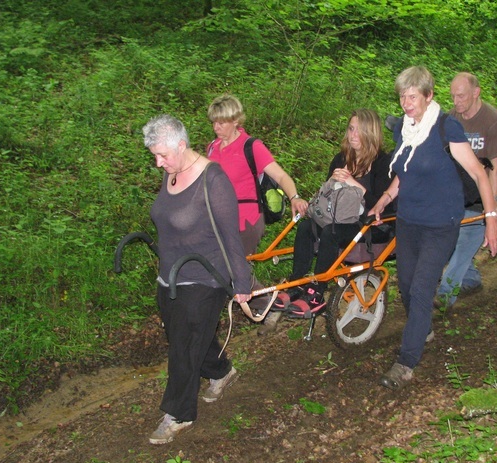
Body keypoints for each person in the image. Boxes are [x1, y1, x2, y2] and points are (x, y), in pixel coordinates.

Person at [369, 66, 497, 390]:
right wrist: (385, 199)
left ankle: (406, 361)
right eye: (402, 95)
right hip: (409, 220)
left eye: (412, 95)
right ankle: (422, 323)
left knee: (422, 287)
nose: (405, 101)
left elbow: (479, 174)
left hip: (441, 223)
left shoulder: (447, 128)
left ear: (428, 96)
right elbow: (405, 170)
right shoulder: (405, 130)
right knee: (407, 284)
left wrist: (491, 220)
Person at [143, 114, 252, 444]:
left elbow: (231, 237)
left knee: (183, 347)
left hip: (205, 277)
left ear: (181, 144)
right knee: (186, 337)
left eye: (163, 155)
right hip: (170, 277)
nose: (159, 163)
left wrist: (243, 285)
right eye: (155, 157)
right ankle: (221, 371)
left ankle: (178, 414)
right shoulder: (172, 173)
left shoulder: (213, 181)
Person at [270, 109, 395, 316]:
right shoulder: (341, 159)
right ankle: (296, 283)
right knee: (305, 227)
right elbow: (326, 196)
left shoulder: (383, 163)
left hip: (371, 225)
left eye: (359, 131)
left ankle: (316, 292)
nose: (353, 135)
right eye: (351, 129)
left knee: (330, 232)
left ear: (371, 133)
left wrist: (353, 183)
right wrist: (331, 183)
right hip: (338, 219)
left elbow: (385, 207)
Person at [206, 95, 309, 315]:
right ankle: (261, 303)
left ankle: (268, 307)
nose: (216, 127)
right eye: (214, 122)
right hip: (217, 218)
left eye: (221, 122)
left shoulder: (251, 146)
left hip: (246, 217)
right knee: (221, 264)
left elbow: (281, 176)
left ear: (236, 121)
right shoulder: (212, 148)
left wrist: (294, 197)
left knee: (235, 267)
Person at [435, 72, 497, 309]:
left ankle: (446, 295)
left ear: (476, 93)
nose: (456, 101)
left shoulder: (493, 122)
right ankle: (471, 279)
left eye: (461, 96)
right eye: (453, 96)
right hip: (456, 194)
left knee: (465, 242)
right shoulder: (452, 119)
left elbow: (496, 169)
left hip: (481, 196)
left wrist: (492, 209)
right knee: (447, 240)